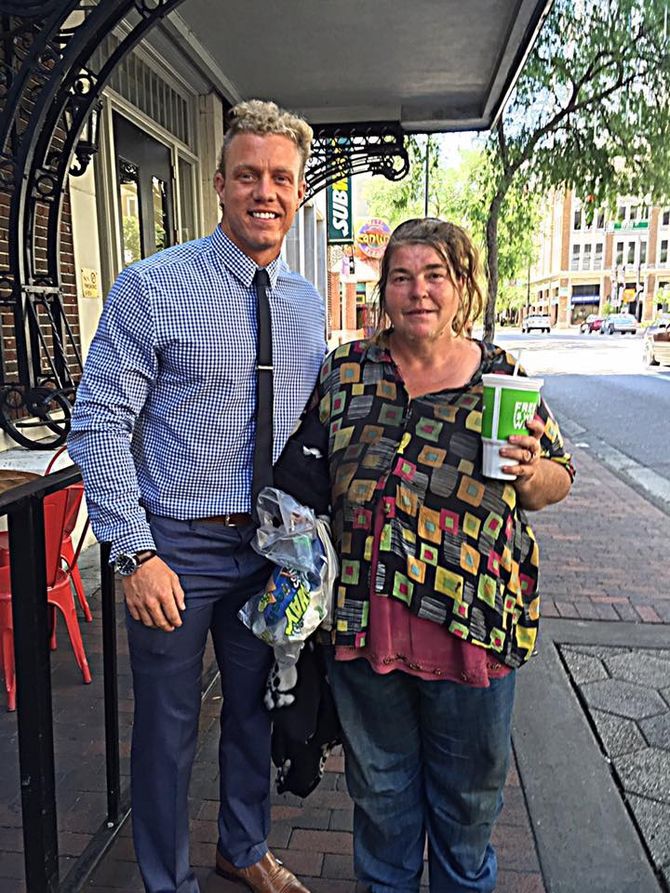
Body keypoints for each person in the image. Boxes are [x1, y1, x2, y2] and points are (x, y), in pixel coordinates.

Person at [68, 100, 325, 893]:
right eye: (247, 174)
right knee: (169, 729)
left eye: (280, 177)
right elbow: (99, 418)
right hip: (175, 542)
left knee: (255, 710)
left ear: (299, 190)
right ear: (218, 184)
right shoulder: (154, 286)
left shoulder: (307, 302)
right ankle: (165, 879)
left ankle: (243, 847)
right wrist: (133, 550)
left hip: (268, 548)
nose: (264, 191)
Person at [315, 217, 574, 892]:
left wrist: (528, 472)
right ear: (384, 289)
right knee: (382, 807)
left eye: (436, 276)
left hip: (473, 629)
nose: (418, 291)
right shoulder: (348, 370)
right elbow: (307, 470)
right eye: (402, 276)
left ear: (463, 287)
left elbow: (557, 479)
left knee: (465, 815)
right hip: (366, 630)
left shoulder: (501, 379)